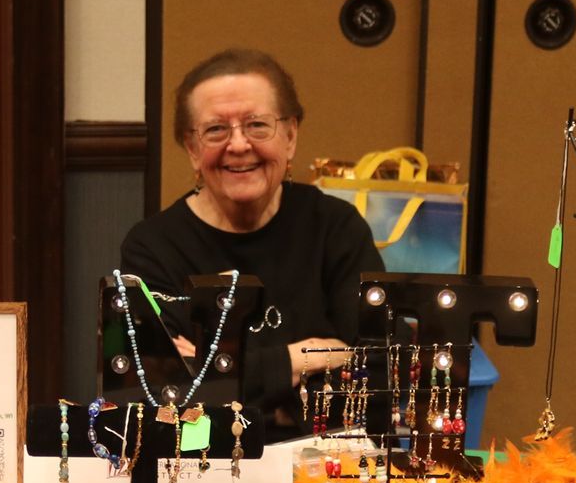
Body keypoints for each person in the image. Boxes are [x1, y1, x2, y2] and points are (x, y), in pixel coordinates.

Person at [119, 47, 382, 426]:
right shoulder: (152, 248)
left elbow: (382, 371)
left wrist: (221, 375)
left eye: (257, 125)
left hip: (323, 470)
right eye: (216, 130)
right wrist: (305, 357)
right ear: (193, 149)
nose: (239, 144)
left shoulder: (336, 229)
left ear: (290, 136)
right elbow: (164, 395)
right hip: (205, 474)